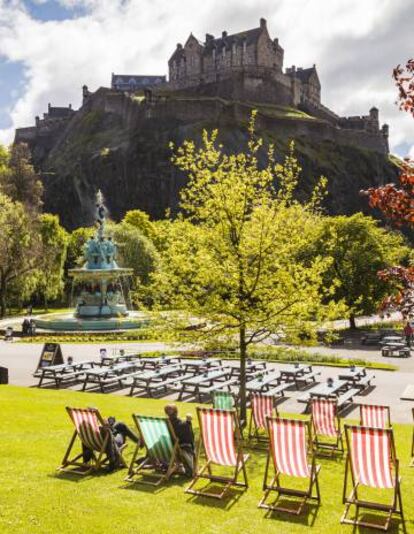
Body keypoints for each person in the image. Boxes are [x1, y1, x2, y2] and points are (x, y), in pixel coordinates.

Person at [164, 404, 195, 477]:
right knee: (187, 444)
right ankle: (186, 466)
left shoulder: (164, 424)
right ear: (176, 412)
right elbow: (189, 438)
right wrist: (188, 422)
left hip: (166, 448)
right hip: (176, 448)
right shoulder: (180, 424)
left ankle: (179, 466)